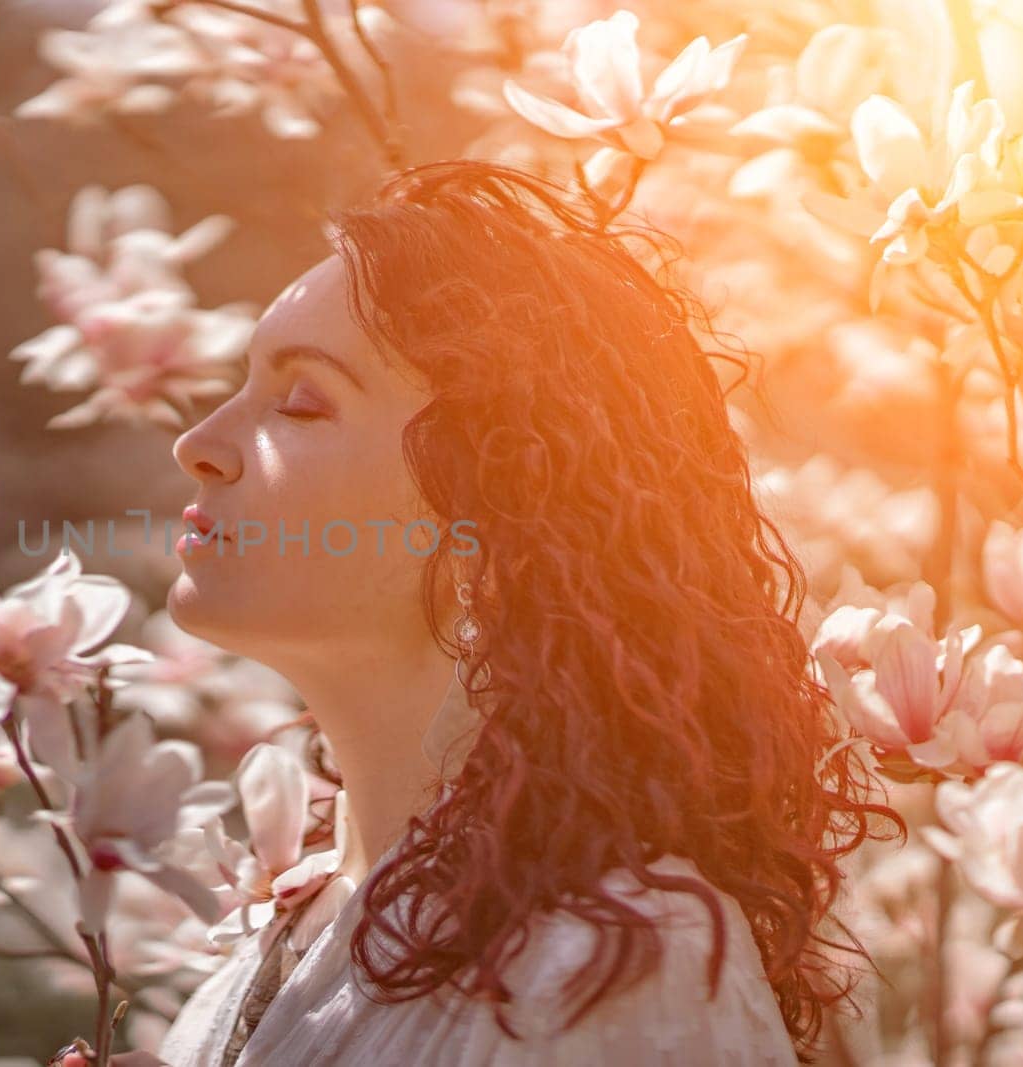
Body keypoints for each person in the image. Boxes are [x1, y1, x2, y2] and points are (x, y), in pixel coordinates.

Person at [63, 158, 899, 1066]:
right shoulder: (292, 925)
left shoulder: (616, 966)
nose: (199, 444)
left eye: (301, 402)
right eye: (242, 387)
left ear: (493, 517)